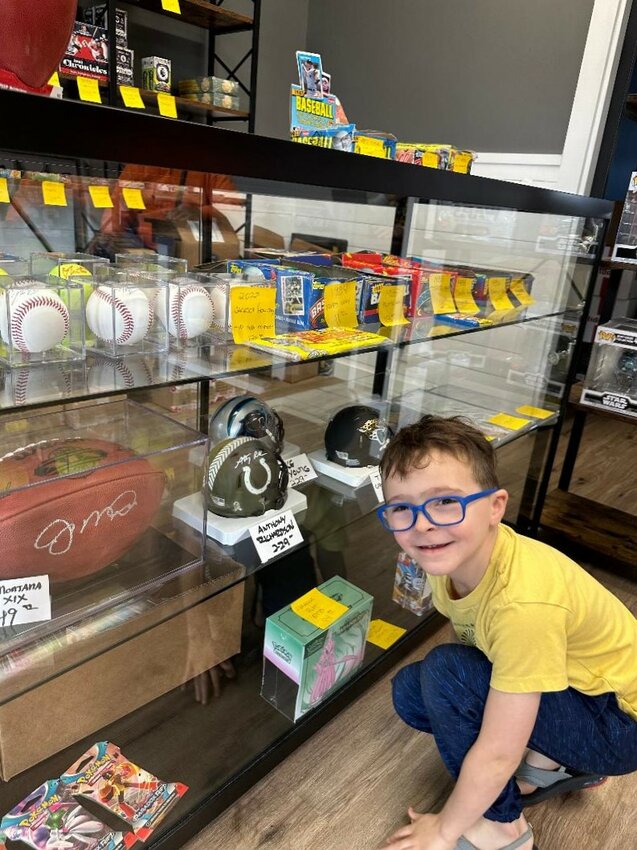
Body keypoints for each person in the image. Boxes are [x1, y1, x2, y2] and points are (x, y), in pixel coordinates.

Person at [375, 415, 637, 850]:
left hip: (620, 724)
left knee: (446, 673)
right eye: (401, 507)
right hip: (582, 690)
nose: (421, 524)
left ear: (496, 506)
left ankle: (504, 827)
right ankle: (551, 759)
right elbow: (484, 653)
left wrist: (443, 830)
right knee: (412, 690)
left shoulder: (523, 602)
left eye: (445, 502)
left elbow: (495, 747)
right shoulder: (455, 557)